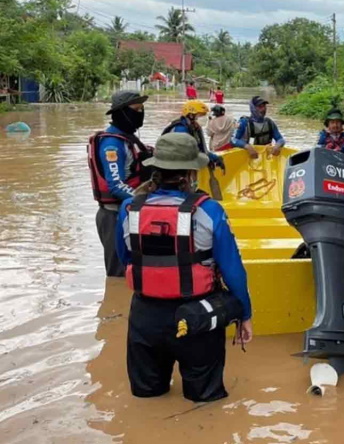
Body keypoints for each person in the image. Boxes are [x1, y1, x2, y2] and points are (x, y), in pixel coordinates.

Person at [116, 133, 253, 402]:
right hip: (198, 316)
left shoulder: (128, 208)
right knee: (205, 399)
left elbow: (126, 259)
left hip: (145, 316)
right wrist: (244, 314)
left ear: (156, 168)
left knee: (147, 397)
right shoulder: (210, 210)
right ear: (191, 172)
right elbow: (233, 270)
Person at [87, 90, 152, 277]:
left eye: (142, 109)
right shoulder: (112, 145)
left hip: (130, 212)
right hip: (114, 216)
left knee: (135, 270)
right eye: (136, 109)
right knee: (118, 274)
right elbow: (115, 185)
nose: (140, 113)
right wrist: (147, 201)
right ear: (121, 112)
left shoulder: (129, 139)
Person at [162, 100, 224, 167]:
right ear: (191, 115)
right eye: (197, 116)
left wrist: (215, 158)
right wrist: (208, 159)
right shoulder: (181, 129)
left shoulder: (192, 128)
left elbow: (201, 149)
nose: (197, 119)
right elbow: (186, 151)